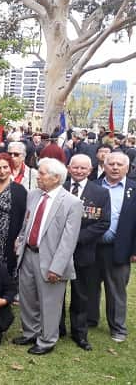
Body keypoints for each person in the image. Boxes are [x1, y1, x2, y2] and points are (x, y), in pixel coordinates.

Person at [13, 158, 82, 355]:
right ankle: (30, 333)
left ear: (56, 178)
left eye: (42, 173)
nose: (38, 176)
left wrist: (57, 267)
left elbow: (69, 240)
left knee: (50, 303)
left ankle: (47, 340)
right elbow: (27, 223)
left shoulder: (72, 203)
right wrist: (20, 241)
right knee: (27, 298)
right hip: (28, 254)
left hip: (51, 261)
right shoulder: (33, 195)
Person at [59, 154, 110, 350]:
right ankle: (58, 328)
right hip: (59, 250)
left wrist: (76, 238)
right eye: (75, 167)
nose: (79, 171)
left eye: (83, 168)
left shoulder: (100, 193)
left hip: (84, 251)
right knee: (57, 293)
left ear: (90, 170)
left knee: (81, 294)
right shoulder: (59, 187)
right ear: (69, 168)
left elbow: (103, 223)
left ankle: (79, 333)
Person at [87, 151, 136, 342]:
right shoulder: (94, 186)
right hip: (93, 246)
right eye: (111, 164)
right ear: (104, 166)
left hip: (119, 248)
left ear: (127, 168)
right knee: (90, 285)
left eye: (119, 164)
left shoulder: (133, 189)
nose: (115, 167)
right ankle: (90, 319)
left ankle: (118, 328)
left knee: (116, 290)